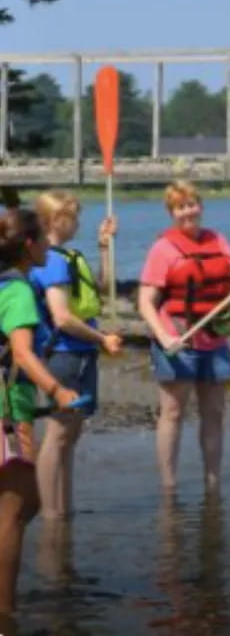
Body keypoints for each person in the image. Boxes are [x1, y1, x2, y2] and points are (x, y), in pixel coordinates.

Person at [137, 180, 230, 494]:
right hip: (178, 335)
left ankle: (213, 483)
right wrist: (164, 337)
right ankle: (168, 485)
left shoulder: (218, 240)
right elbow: (145, 302)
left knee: (215, 413)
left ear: (200, 206)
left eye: (191, 204)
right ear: (172, 213)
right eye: (180, 207)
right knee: (173, 412)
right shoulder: (163, 248)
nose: (187, 212)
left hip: (214, 339)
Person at [0, 208, 79, 614]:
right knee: (16, 510)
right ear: (29, 246)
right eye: (44, 240)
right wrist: (57, 389)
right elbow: (22, 353)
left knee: (24, 504)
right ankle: (6, 613)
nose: (51, 245)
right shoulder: (16, 290)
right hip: (8, 406)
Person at [30, 190, 121, 521]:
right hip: (63, 355)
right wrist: (103, 338)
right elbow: (62, 317)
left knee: (71, 434)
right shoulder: (50, 260)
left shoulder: (68, 256)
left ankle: (64, 510)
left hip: (82, 354)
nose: (78, 222)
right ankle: (51, 514)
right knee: (58, 434)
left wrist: (103, 247)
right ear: (56, 220)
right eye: (74, 216)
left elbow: (100, 285)